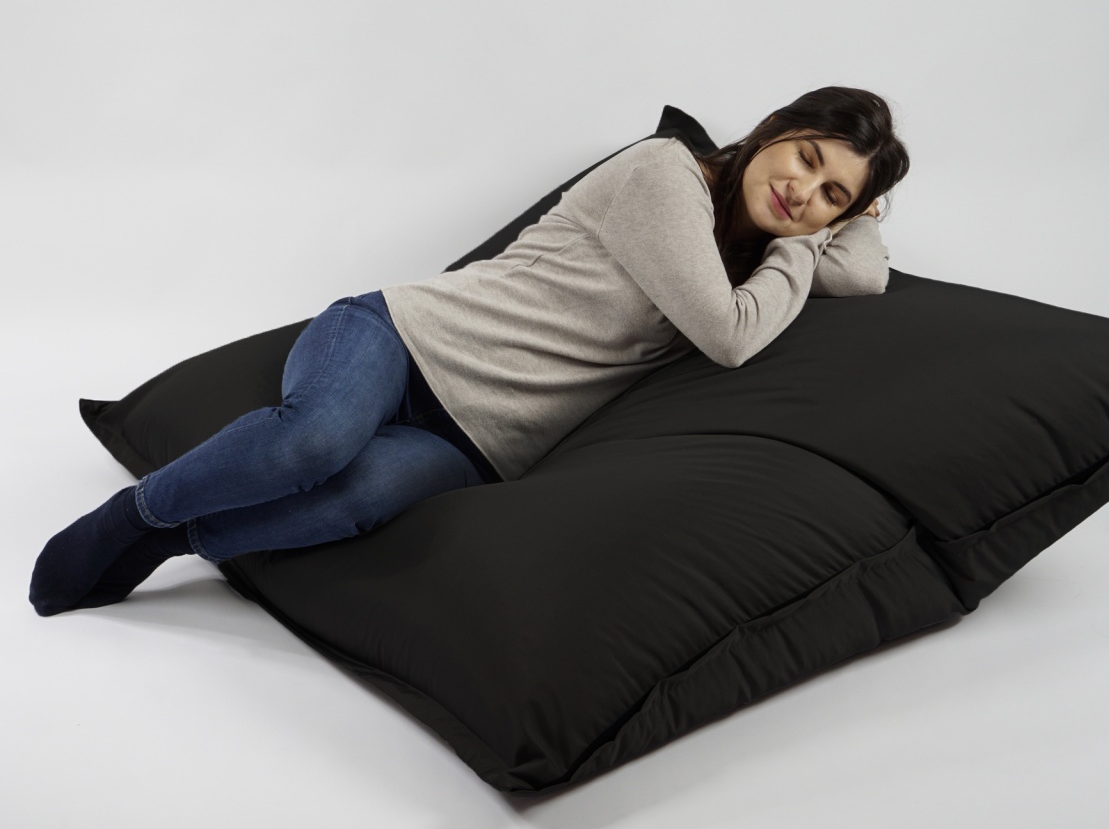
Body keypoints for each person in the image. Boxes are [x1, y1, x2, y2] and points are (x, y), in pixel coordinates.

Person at [29, 85, 910, 617]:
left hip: (485, 438)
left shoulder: (761, 262)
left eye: (831, 193)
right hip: (404, 338)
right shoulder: (665, 172)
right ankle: (134, 517)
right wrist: (813, 240)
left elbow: (865, 279)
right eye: (805, 157)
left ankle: (179, 535)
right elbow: (729, 335)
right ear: (773, 127)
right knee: (313, 443)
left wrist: (851, 220)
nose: (802, 191)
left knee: (356, 502)